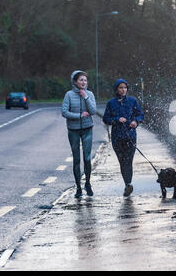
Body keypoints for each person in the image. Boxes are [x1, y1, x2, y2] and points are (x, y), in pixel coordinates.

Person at [102, 78, 144, 197]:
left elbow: (140, 114)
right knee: (122, 162)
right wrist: (116, 120)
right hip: (117, 138)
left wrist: (136, 121)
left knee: (128, 161)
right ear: (116, 89)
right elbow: (106, 119)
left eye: (125, 87)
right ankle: (127, 184)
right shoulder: (111, 103)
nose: (123, 90)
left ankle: (128, 184)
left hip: (130, 136)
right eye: (121, 88)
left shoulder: (132, 101)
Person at [61, 70, 97, 198]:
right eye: (81, 80)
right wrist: (79, 116)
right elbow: (64, 112)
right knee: (76, 159)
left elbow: (93, 111)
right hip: (73, 130)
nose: (83, 82)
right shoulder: (69, 95)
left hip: (87, 128)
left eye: (85, 80)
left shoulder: (90, 94)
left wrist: (85, 97)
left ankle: (87, 183)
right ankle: (78, 187)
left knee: (87, 159)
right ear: (75, 82)